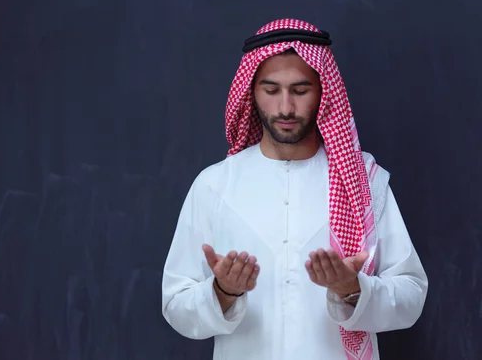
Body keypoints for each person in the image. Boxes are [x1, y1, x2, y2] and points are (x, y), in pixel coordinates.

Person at [161, 18, 428, 360]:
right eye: (271, 91)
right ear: (251, 93)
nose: (285, 107)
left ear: (323, 92)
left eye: (300, 91)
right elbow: (175, 303)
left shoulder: (363, 182)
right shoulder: (214, 185)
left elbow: (411, 295)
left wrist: (353, 291)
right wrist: (222, 292)